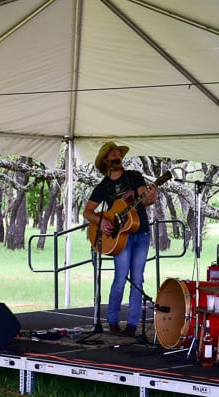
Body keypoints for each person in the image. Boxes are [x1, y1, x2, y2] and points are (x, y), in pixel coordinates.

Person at [83, 141, 157, 337]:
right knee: (120, 278)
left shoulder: (133, 177)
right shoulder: (103, 186)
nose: (118, 157)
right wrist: (101, 221)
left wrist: (152, 194)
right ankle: (113, 320)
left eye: (120, 155)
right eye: (114, 155)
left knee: (138, 279)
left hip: (140, 233)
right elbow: (87, 212)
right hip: (119, 237)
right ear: (107, 161)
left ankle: (133, 324)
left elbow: (147, 200)